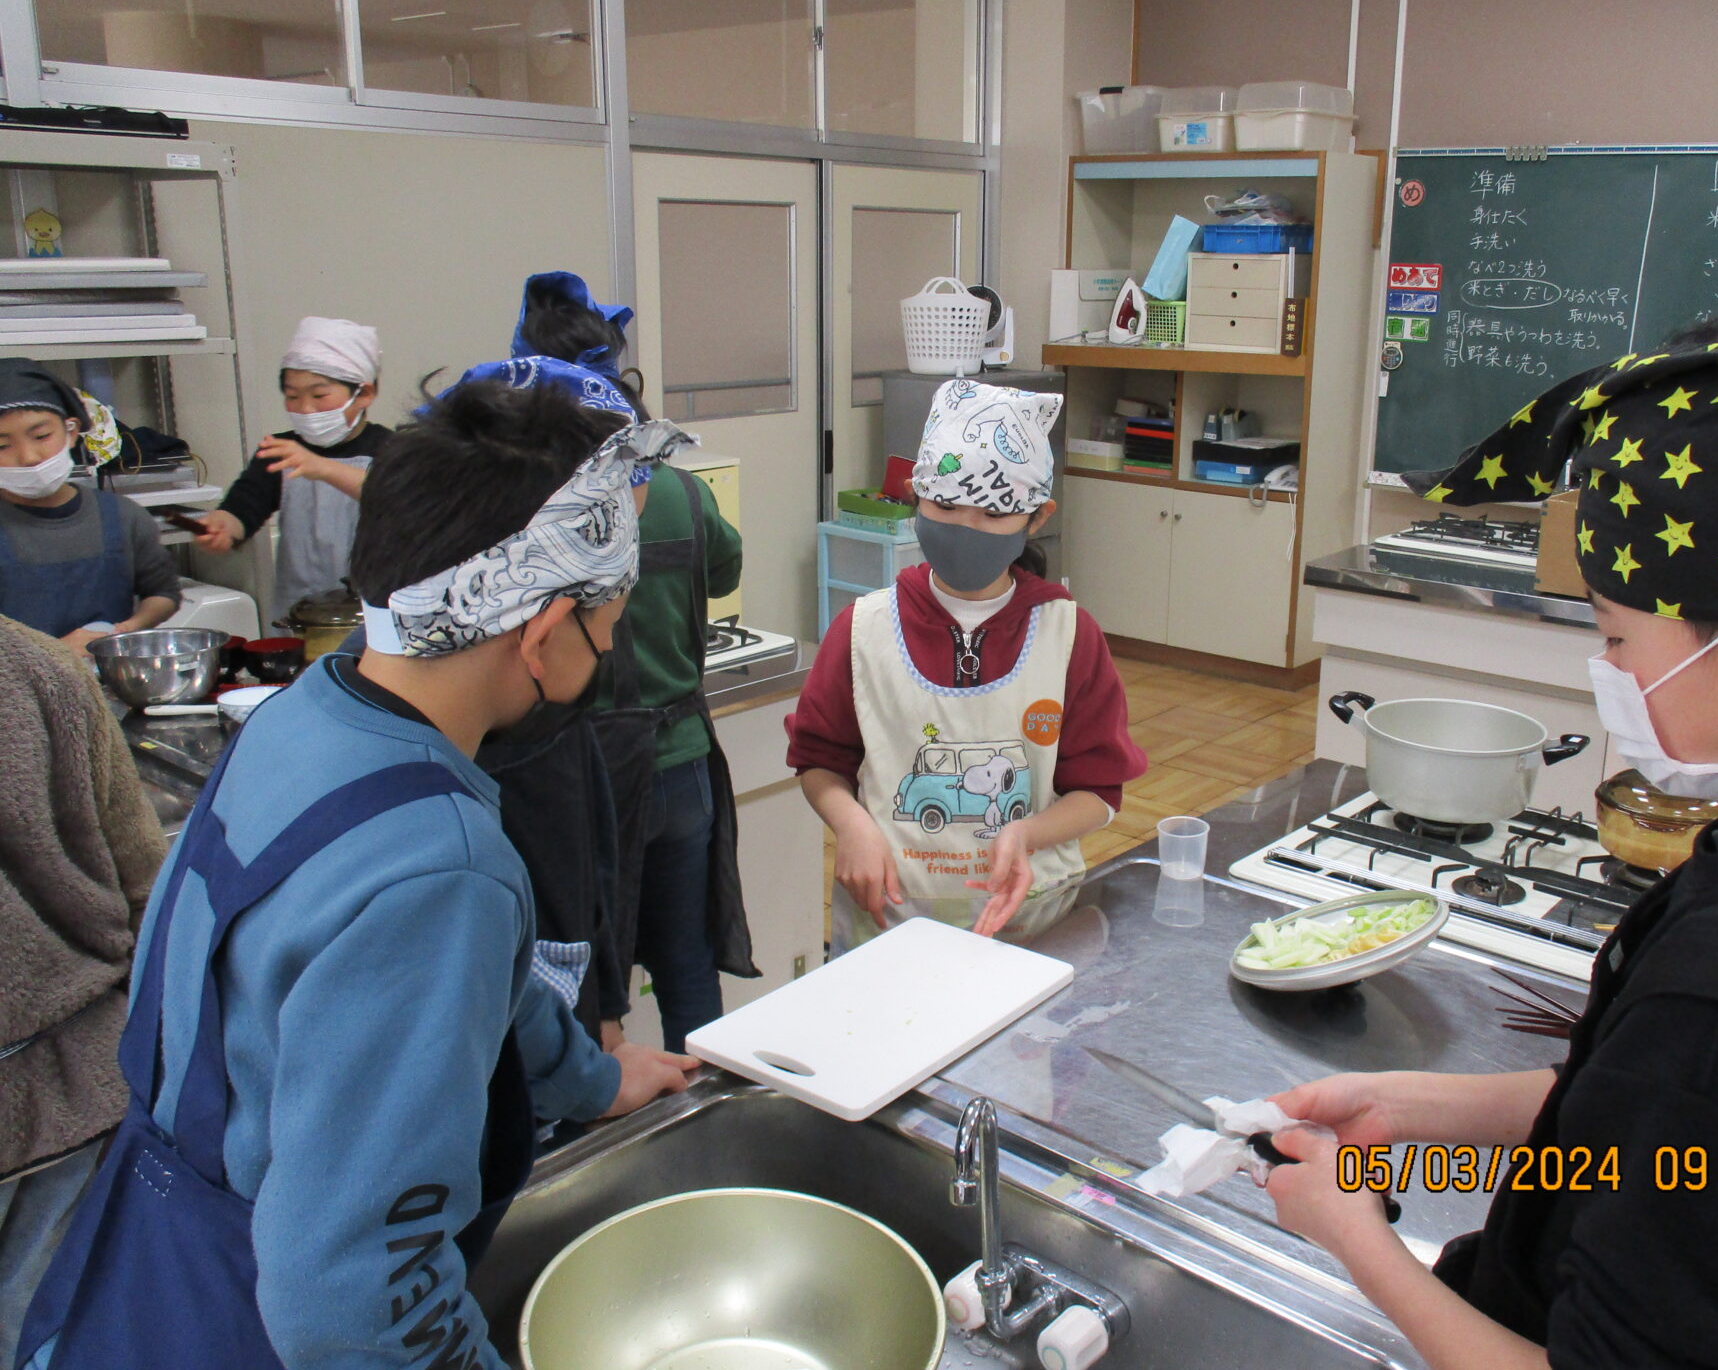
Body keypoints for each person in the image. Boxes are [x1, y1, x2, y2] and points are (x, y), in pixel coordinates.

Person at [1264, 295, 1718, 1370]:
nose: (1606, 671)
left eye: (1619, 638)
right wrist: (1413, 1105)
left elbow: (1696, 1112)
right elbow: (1681, 1146)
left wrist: (1356, 1236)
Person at [18, 375, 699, 1370]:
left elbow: (456, 979)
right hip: (245, 1322)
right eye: (607, 629)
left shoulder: (307, 713)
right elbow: (356, 1305)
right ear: (544, 633)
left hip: (146, 1241)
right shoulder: (440, 867)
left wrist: (588, 1080)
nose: (606, 652)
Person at [788, 378, 1147, 951]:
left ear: (1036, 517)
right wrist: (851, 825)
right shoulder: (862, 629)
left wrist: (1027, 833)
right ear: (915, 496)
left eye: (993, 514)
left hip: (1028, 921)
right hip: (890, 919)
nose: (965, 530)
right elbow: (819, 760)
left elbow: (1099, 791)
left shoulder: (1067, 634)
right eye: (946, 506)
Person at [507, 270, 756, 1055]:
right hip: (679, 760)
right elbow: (724, 572)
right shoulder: (678, 490)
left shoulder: (536, 504)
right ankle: (706, 1100)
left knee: (586, 979)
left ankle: (600, 1105)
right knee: (687, 970)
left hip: (582, 774)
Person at [0, 615, 167, 1366]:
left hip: (66, 1091)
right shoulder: (42, 665)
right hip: (75, 1090)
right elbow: (150, 894)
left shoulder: (44, 670)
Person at [194, 317, 391, 621]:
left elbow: (396, 496)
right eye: (292, 396)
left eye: (319, 395)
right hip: (298, 616)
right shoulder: (280, 451)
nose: (305, 409)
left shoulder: (393, 450)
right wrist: (223, 526)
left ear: (364, 394)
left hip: (376, 617)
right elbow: (244, 506)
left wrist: (322, 467)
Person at [0, 359, 179, 652]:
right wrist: (54, 655)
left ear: (71, 432)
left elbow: (163, 592)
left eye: (41, 436)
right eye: (2, 445)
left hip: (110, 674)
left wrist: (127, 629)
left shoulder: (123, 516)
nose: (29, 457)